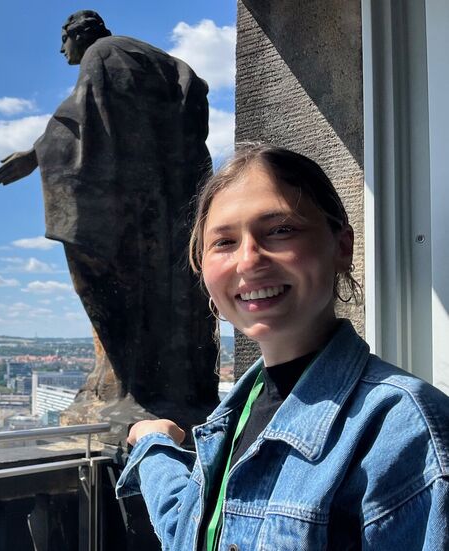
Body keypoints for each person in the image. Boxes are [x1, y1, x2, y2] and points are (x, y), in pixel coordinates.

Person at [117, 144, 449, 549]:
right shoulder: (236, 415)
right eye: (224, 242)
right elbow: (187, 529)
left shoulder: (406, 429)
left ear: (341, 246)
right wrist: (154, 444)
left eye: (280, 230)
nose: (248, 260)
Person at [0, 10, 217, 430]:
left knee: (115, 293)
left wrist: (34, 155)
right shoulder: (146, 55)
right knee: (169, 299)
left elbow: (87, 116)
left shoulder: (103, 53)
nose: (62, 50)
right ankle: (164, 387)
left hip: (135, 212)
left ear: (80, 35)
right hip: (170, 203)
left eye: (64, 40)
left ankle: (132, 392)